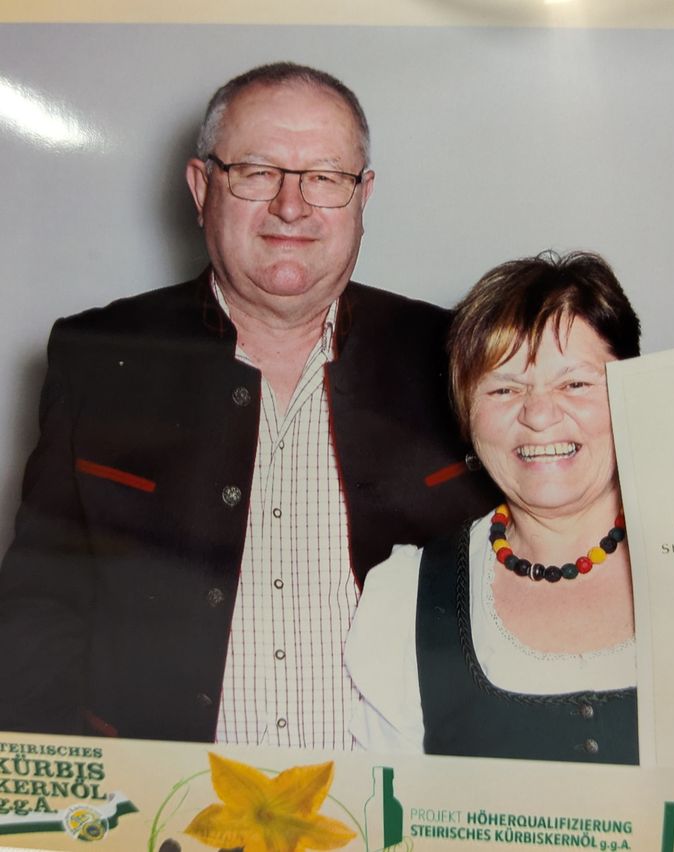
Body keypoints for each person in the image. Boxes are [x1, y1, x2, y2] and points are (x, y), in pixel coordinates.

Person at [0, 62, 496, 748]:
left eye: (325, 177)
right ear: (203, 187)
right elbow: (41, 602)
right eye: (257, 172)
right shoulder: (98, 355)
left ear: (362, 195)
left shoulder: (454, 354)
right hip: (167, 812)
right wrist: (48, 805)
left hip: (397, 816)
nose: (291, 206)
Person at [345, 250, 641, 763]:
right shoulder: (407, 594)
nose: (539, 415)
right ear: (467, 417)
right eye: (504, 388)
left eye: (575, 383)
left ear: (635, 393)